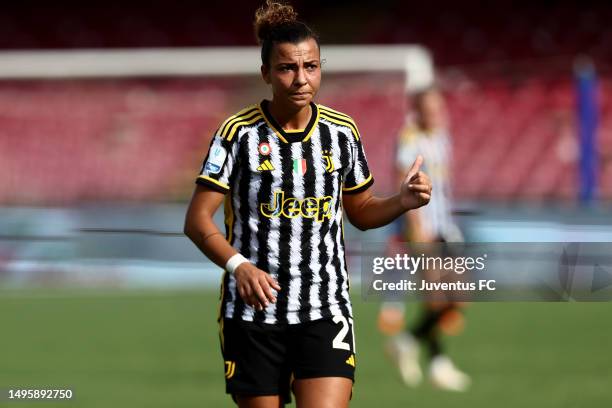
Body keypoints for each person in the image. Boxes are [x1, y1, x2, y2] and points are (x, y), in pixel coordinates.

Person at [184, 1, 432, 407]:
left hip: (324, 308)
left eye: (311, 66)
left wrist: (402, 201)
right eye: (287, 68)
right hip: (253, 317)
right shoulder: (237, 134)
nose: (301, 78)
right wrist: (239, 266)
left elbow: (362, 211)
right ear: (266, 73)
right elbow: (197, 221)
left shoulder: (342, 132)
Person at [377, 87, 470, 392]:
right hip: (423, 230)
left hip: (445, 227)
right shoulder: (409, 139)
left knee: (458, 296)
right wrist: (416, 230)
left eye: (438, 107)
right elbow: (404, 183)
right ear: (417, 110)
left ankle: (406, 343)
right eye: (429, 108)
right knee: (435, 297)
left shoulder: (442, 136)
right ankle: (438, 364)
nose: (435, 113)